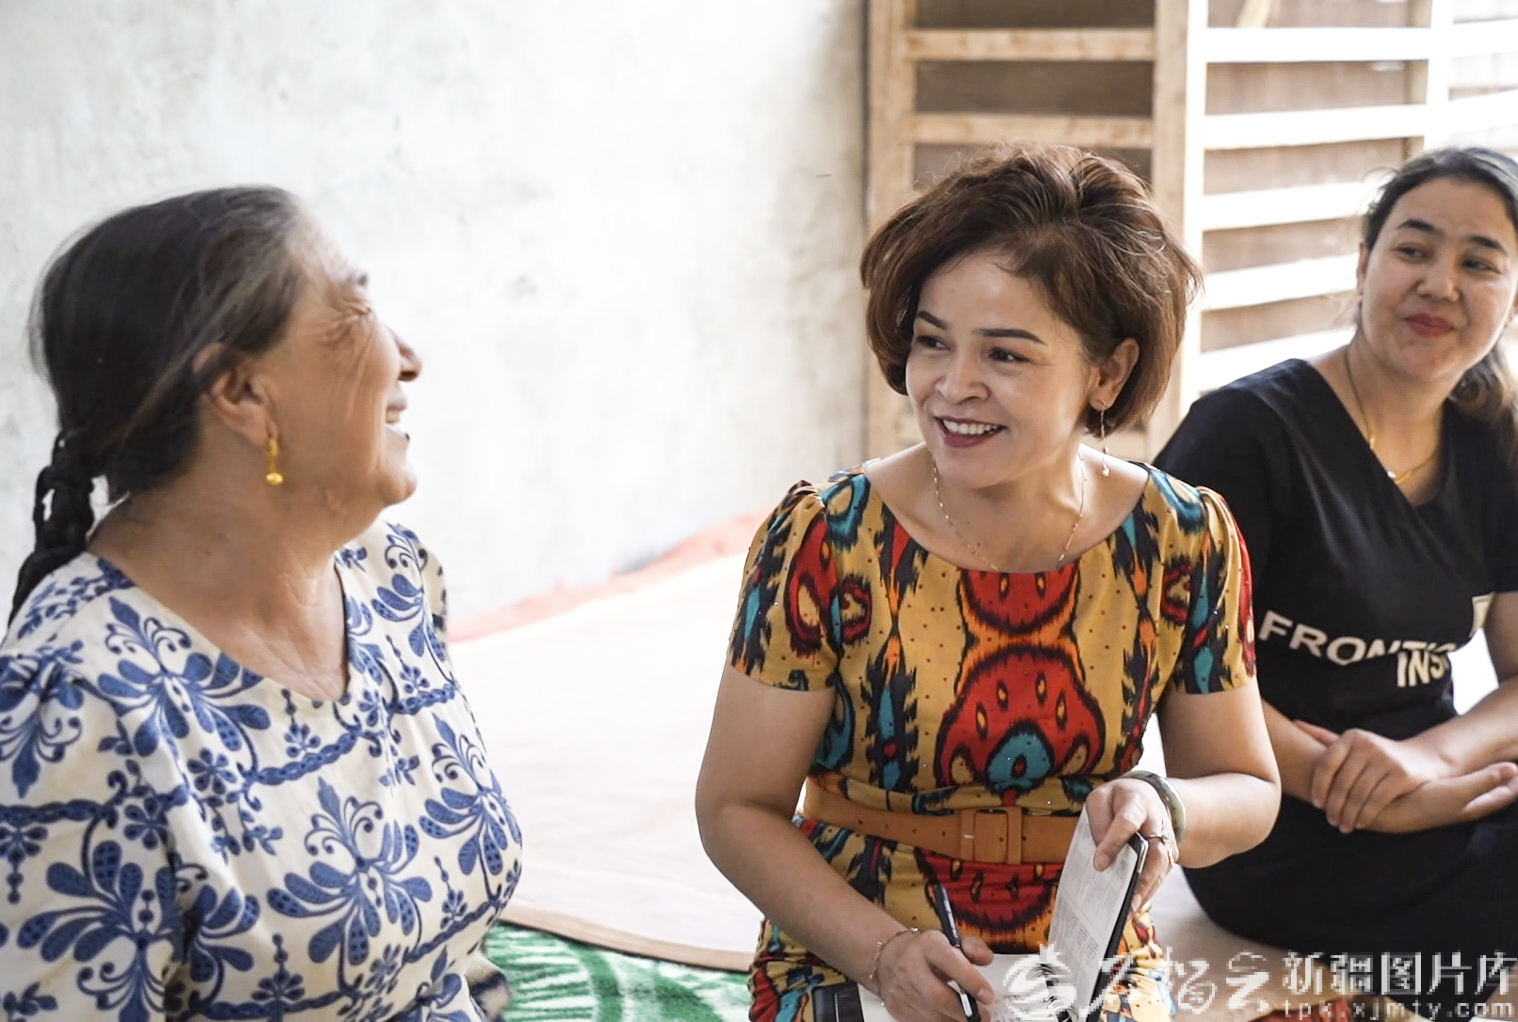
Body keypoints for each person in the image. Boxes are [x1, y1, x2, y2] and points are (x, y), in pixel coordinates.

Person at [695, 145, 1281, 1022]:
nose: (951, 386)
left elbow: (1248, 788)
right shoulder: (826, 536)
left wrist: (1168, 805)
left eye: (1005, 356)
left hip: (1088, 955)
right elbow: (736, 807)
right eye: (933, 342)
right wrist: (884, 954)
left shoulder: (1183, 538)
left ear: (1108, 372)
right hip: (852, 940)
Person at [0, 187, 521, 1021]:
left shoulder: (392, 578)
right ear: (242, 392)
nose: (407, 357)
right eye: (356, 309)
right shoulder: (77, 701)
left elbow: (455, 966)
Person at [1155, 146, 1518, 1018]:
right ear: (1363, 264)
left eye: (1479, 263)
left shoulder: (1496, 443)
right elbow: (1165, 667)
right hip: (1271, 825)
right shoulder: (1245, 433)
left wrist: (1427, 763)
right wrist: (1349, 788)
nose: (1440, 284)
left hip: (1440, 791)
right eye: (1413, 249)